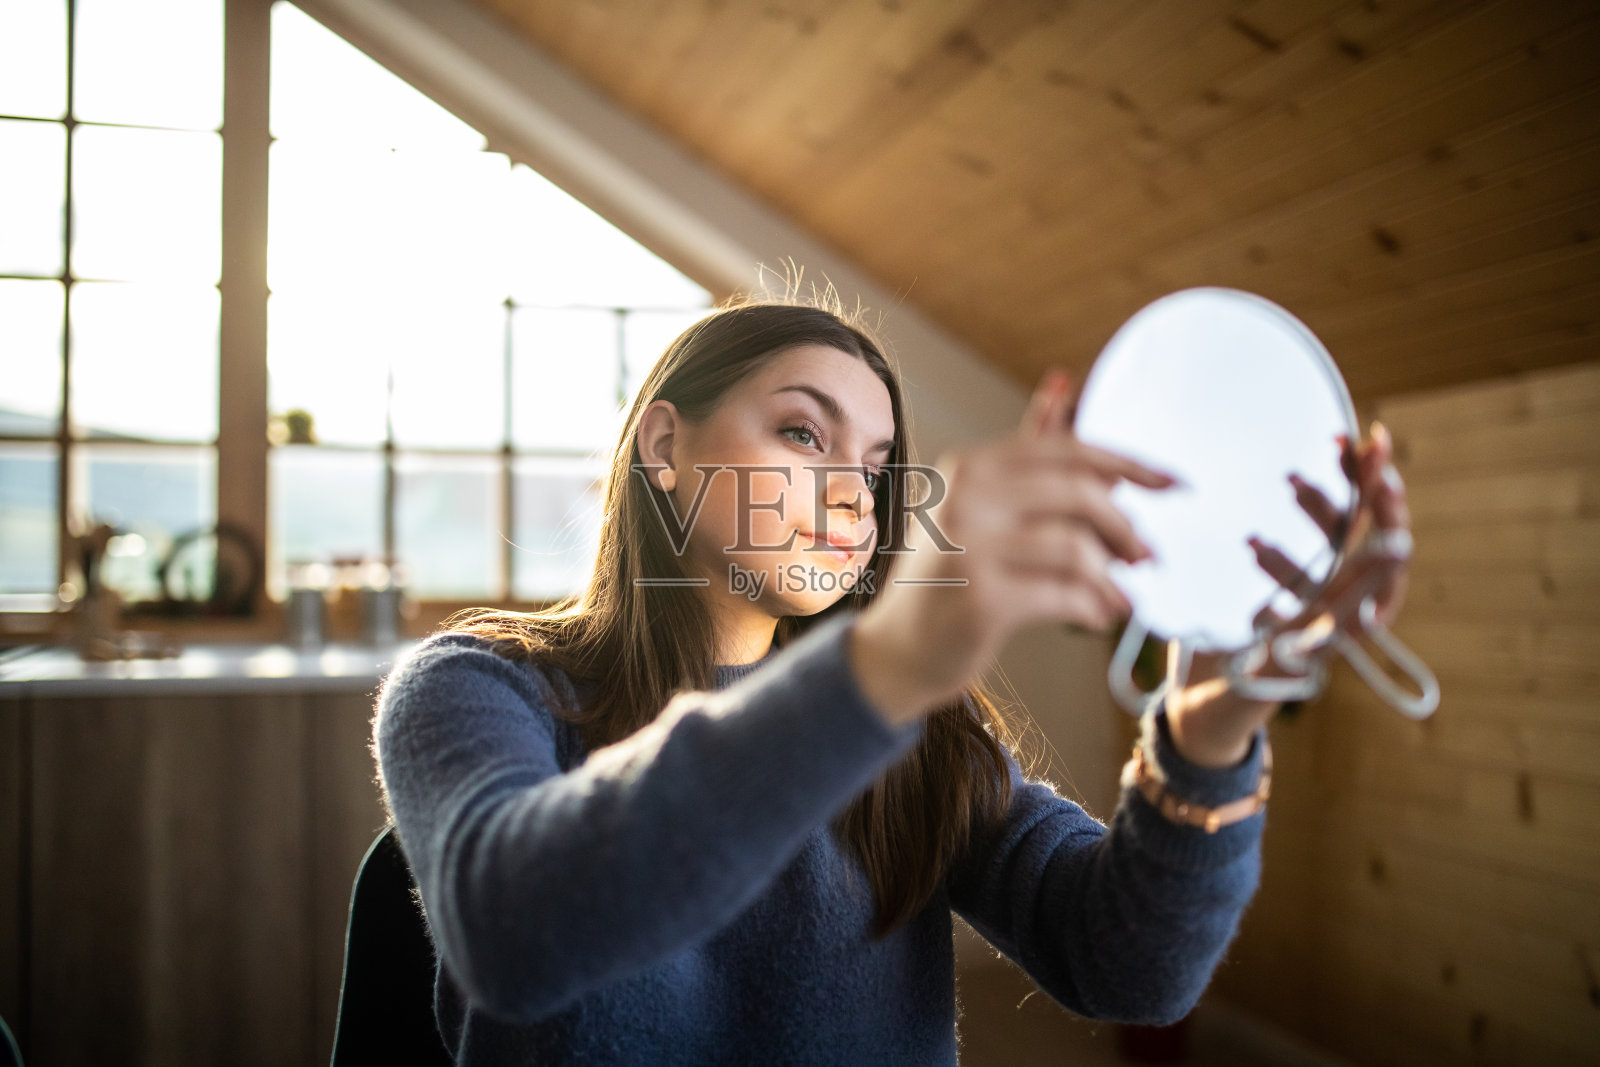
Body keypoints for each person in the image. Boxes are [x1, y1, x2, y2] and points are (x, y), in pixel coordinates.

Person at [370, 295, 1411, 1065]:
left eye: (873, 466)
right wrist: (888, 664)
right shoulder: (474, 689)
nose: (848, 493)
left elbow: (1126, 966)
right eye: (800, 431)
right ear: (664, 444)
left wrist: (1211, 723)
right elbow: (509, 929)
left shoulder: (915, 737)